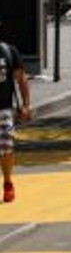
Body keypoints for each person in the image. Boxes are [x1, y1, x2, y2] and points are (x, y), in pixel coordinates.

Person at [0, 21, 33, 203]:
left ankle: (7, 182)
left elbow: (21, 79)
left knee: (5, 149)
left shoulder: (8, 51)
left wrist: (26, 105)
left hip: (4, 109)